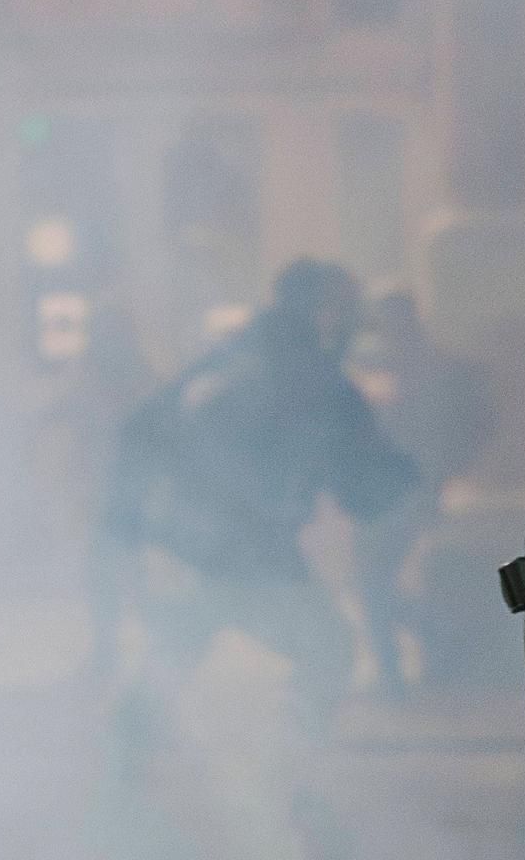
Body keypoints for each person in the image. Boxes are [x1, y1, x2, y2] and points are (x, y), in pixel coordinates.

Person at [95, 259, 417, 730]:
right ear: (324, 310)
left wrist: (127, 521)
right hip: (251, 548)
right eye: (347, 308)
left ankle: (122, 766)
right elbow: (363, 483)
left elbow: (144, 429)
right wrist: (399, 479)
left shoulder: (235, 354)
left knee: (174, 654)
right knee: (328, 651)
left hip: (198, 543)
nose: (356, 323)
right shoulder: (310, 374)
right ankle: (287, 768)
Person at [343, 291, 506, 701]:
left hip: (401, 492)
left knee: (373, 583)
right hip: (394, 491)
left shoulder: (428, 371)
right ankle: (427, 653)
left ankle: (405, 667)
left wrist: (444, 468)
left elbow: (472, 424)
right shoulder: (417, 368)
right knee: (375, 583)